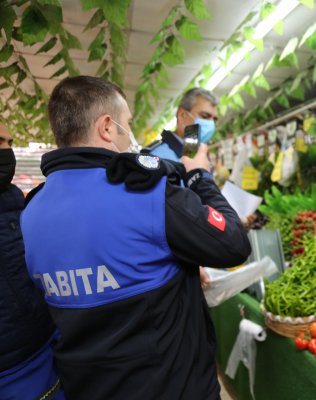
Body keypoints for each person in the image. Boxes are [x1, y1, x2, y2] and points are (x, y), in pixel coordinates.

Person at [20, 76, 252, 399]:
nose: (129, 135)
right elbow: (234, 244)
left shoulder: (30, 213)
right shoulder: (147, 193)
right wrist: (199, 174)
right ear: (106, 126)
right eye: (126, 124)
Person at [0, 123, 63, 400]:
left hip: (47, 348)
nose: (8, 150)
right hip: (11, 371)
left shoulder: (14, 198)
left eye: (9, 141)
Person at [145, 87, 219, 162]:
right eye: (205, 116)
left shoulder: (198, 156)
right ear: (182, 115)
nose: (211, 124)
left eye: (214, 120)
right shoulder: (156, 157)